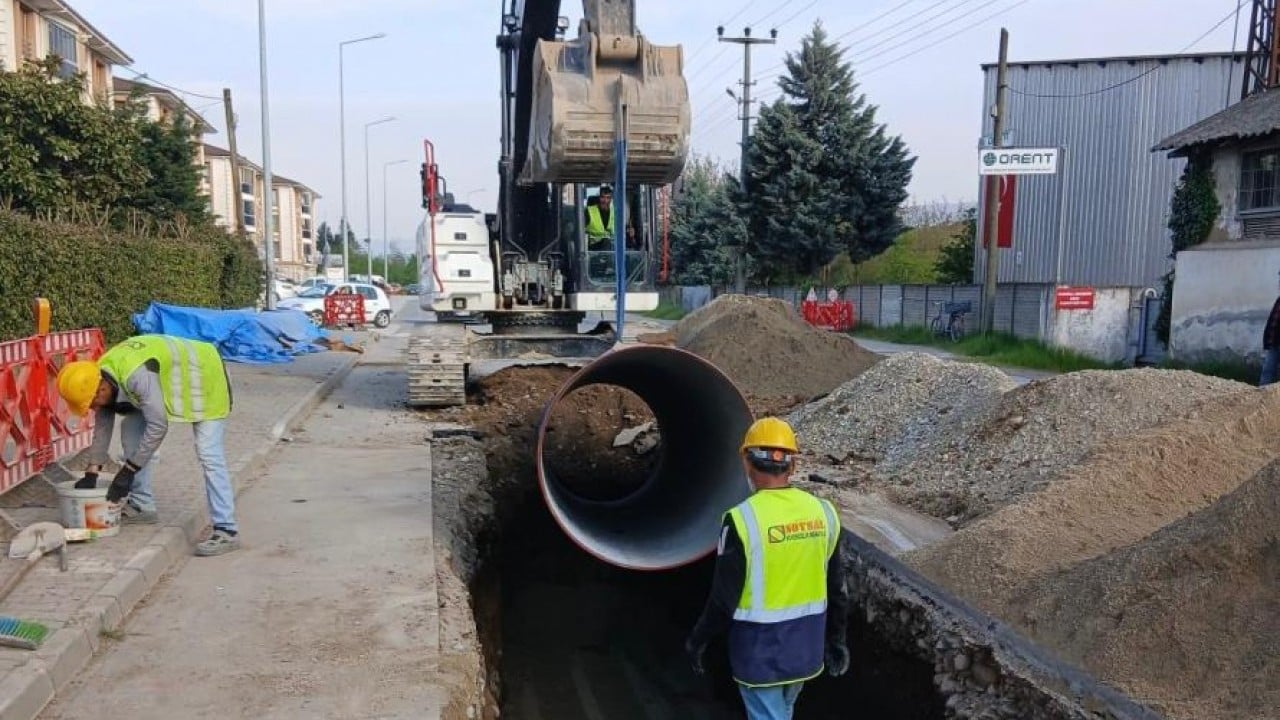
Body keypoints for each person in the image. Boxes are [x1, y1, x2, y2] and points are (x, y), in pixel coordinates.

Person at [686, 417, 850, 720]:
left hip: (760, 652)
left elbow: (723, 600)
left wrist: (698, 640)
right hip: (806, 647)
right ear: (793, 466)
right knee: (782, 712)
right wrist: (837, 639)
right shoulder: (823, 513)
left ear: (747, 463)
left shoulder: (742, 520)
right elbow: (837, 588)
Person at [56, 335, 241, 557]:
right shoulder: (101, 373)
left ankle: (226, 529)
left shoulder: (135, 376)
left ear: (102, 389)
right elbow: (103, 425)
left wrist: (129, 470)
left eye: (91, 403)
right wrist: (92, 472)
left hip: (206, 378)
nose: (92, 408)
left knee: (209, 454)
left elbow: (158, 426)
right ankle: (142, 505)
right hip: (165, 388)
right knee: (130, 431)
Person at [1261, 273, 1280, 387]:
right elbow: (1272, 322)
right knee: (1267, 371)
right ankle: (1261, 398)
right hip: (1274, 345)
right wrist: (1267, 341)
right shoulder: (1279, 300)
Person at [584, 185, 616, 249]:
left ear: (611, 199)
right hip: (592, 247)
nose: (605, 201)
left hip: (610, 247)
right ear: (598, 198)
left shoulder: (614, 212)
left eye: (608, 198)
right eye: (603, 197)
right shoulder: (588, 211)